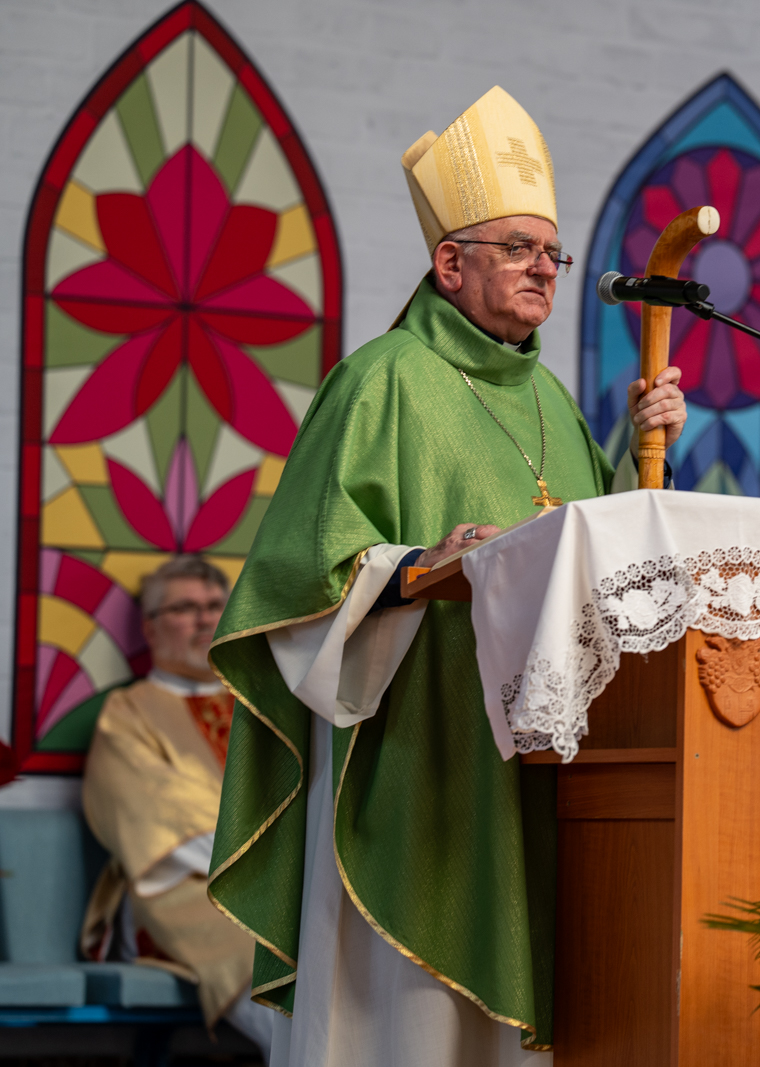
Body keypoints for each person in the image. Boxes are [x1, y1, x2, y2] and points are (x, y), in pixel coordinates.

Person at [206, 87, 687, 1066]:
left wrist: (644, 451)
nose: (544, 269)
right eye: (517, 247)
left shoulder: (553, 397)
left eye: (551, 251)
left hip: (537, 761)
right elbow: (302, 576)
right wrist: (421, 565)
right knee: (410, 1032)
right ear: (448, 262)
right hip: (424, 748)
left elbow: (598, 563)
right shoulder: (381, 378)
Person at [79, 556, 275, 1056]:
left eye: (215, 606)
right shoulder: (128, 713)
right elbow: (153, 822)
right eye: (185, 608)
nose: (206, 619)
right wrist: (264, 879)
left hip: (276, 887)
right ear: (149, 627)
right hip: (179, 889)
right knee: (271, 957)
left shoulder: (263, 709)